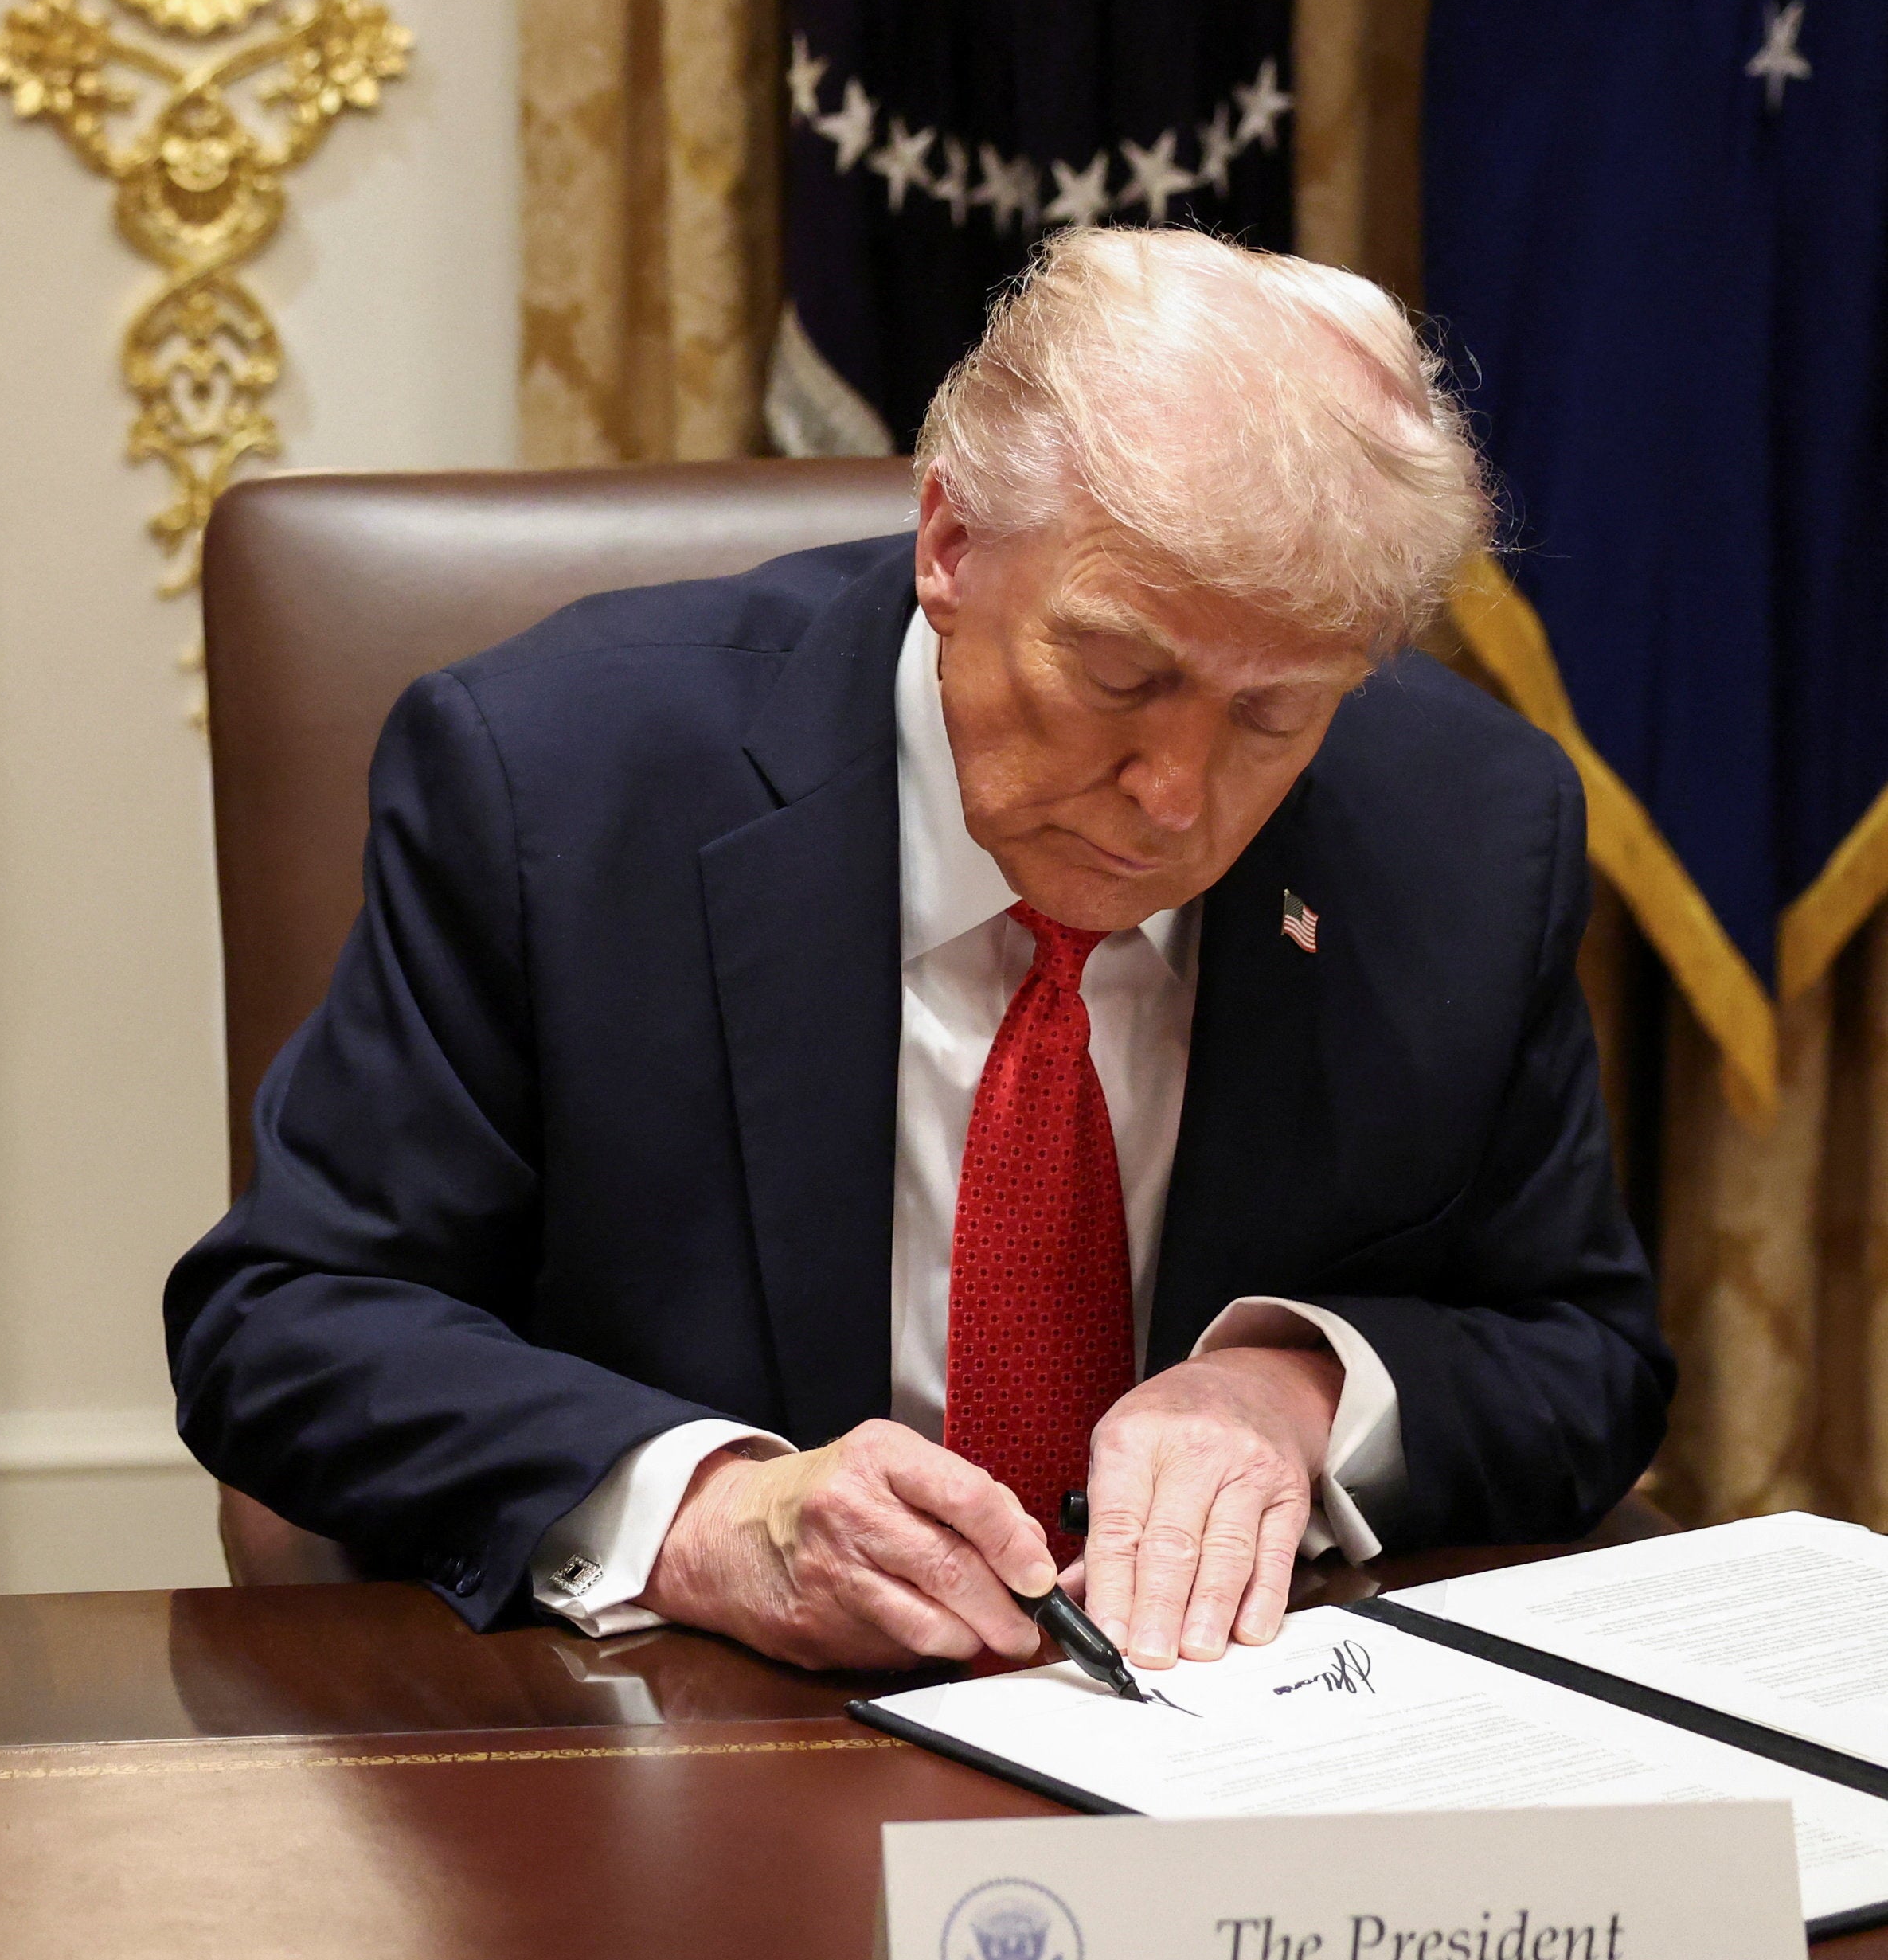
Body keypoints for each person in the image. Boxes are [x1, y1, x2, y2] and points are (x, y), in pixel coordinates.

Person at [166, 228, 1670, 1674]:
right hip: (695, 1730)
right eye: (1120, 675)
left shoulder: (1468, 832)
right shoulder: (557, 783)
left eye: (1273, 713)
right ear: (950, 543)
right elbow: (289, 1323)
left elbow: (1582, 1353)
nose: (1177, 797)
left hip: (1215, 1738)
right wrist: (706, 1514)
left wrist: (1297, 1391)